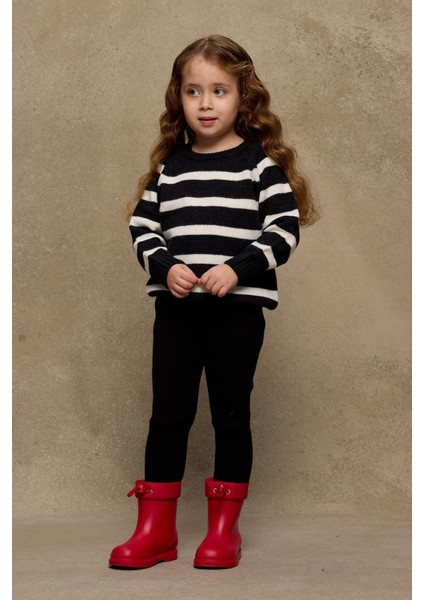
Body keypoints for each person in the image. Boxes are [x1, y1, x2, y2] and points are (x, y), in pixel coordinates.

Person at [109, 34, 319, 571]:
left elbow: (284, 230)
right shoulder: (170, 168)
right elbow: (142, 228)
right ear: (177, 98)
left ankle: (224, 532)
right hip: (176, 313)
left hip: (237, 315)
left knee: (230, 415)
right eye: (193, 91)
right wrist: (165, 267)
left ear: (243, 97)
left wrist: (236, 268)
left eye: (219, 90)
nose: (205, 103)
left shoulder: (260, 166)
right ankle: (155, 532)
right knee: (168, 415)